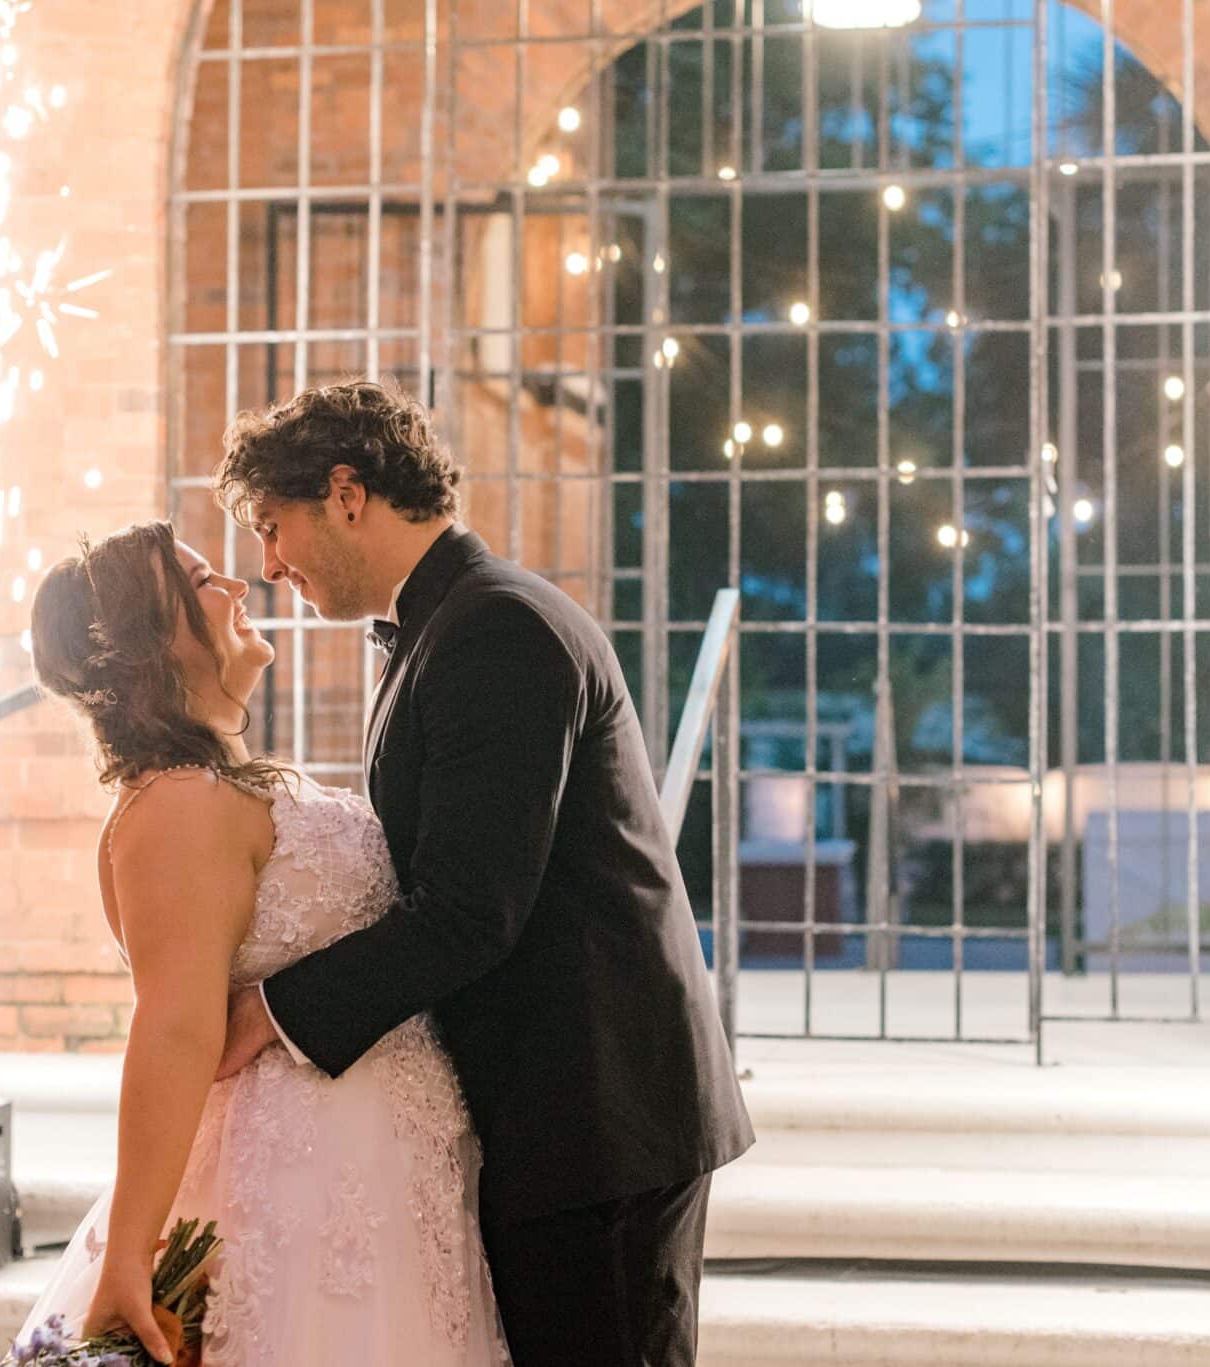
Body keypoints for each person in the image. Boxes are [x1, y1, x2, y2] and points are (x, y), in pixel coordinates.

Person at [212, 381, 752, 1366]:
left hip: (595, 1111)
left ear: (345, 493)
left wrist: (270, 1010)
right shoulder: (449, 620)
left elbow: (468, 910)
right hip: (556, 1106)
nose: (269, 562)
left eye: (270, 524)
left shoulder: (495, 628)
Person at [19, 518, 510, 1366]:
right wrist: (131, 1251)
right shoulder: (176, 807)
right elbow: (175, 1028)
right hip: (303, 1186)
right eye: (205, 579)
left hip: (378, 1166)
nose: (242, 587)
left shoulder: (226, 785)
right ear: (153, 636)